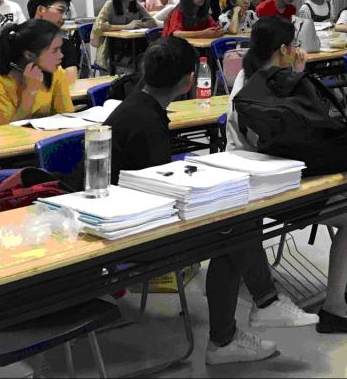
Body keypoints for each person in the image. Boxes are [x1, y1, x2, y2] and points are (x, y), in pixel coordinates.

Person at [108, 37, 316, 365]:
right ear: (188, 81)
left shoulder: (139, 106)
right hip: (130, 231)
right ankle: (253, 313)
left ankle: (239, 327)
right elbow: (160, 194)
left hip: (131, 216)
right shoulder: (146, 123)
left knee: (232, 224)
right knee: (232, 226)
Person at [227, 18, 347, 333]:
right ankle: (335, 308)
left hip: (280, 172)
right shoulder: (258, 84)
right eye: (295, 45)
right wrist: (297, 78)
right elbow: (289, 136)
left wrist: (296, 77)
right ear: (284, 50)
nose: (299, 49)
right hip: (263, 183)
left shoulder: (264, 76)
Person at [0, 20, 72, 126]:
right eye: (54, 51)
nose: (61, 55)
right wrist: (29, 91)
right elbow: (9, 132)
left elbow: (68, 117)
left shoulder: (56, 72)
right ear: (29, 55)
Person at [92, 0, 156, 74]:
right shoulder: (110, 5)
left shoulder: (136, 6)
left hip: (134, 49)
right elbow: (99, 26)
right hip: (113, 52)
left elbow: (152, 23)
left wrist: (140, 24)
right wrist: (126, 27)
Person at [27, 0, 81, 81]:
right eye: (60, 10)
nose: (64, 17)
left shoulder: (65, 45)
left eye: (66, 12)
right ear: (41, 10)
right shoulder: (18, 42)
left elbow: (71, 82)